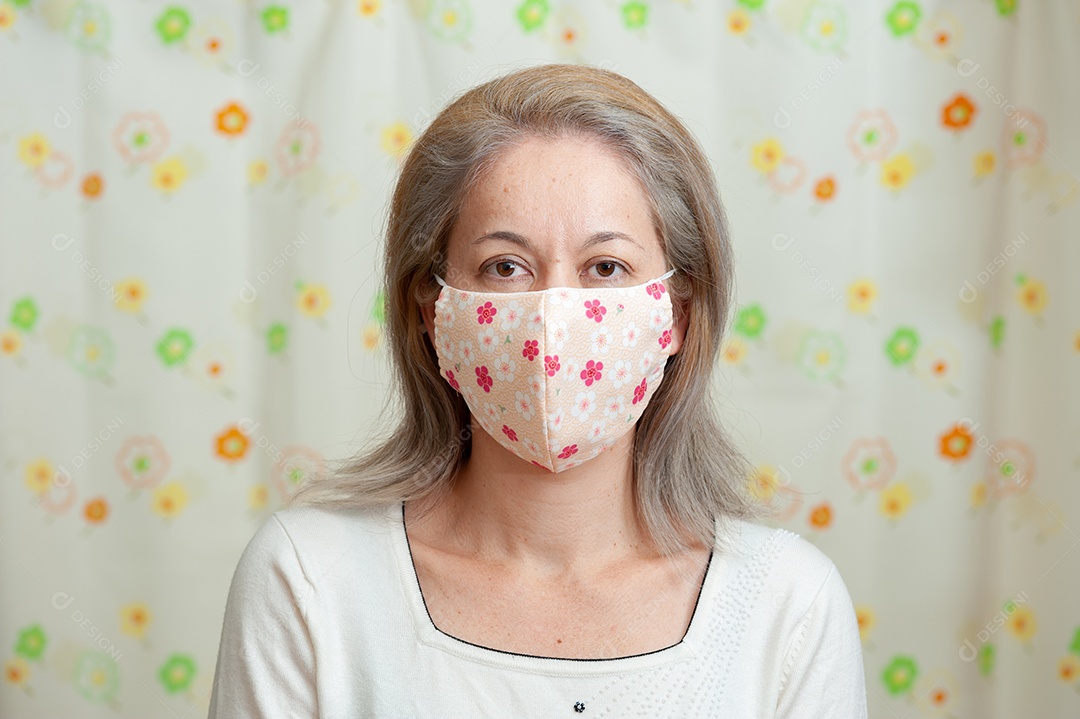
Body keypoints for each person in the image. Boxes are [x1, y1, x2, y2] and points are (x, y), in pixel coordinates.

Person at [207, 62, 868, 718]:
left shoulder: (787, 607)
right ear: (431, 311)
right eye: (506, 266)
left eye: (605, 266)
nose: (555, 312)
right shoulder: (309, 580)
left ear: (678, 315)